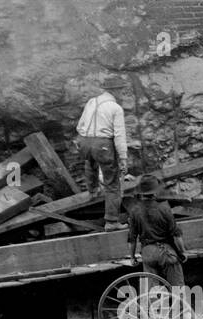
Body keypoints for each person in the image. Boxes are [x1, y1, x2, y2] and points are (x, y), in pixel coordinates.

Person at [76, 76, 130, 229]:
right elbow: (120, 135)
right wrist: (123, 157)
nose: (122, 93)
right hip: (102, 144)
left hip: (84, 140)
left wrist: (86, 139)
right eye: (121, 89)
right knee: (112, 183)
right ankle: (112, 221)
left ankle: (93, 191)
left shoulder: (91, 102)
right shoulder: (115, 108)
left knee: (90, 162)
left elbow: (80, 125)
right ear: (116, 91)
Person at [127, 175, 186, 288]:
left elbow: (132, 239)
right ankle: (179, 305)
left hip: (148, 252)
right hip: (166, 252)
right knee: (177, 286)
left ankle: (155, 304)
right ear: (155, 192)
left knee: (152, 289)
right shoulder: (164, 208)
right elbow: (176, 235)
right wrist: (182, 252)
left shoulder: (134, 211)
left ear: (141, 193)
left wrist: (132, 257)